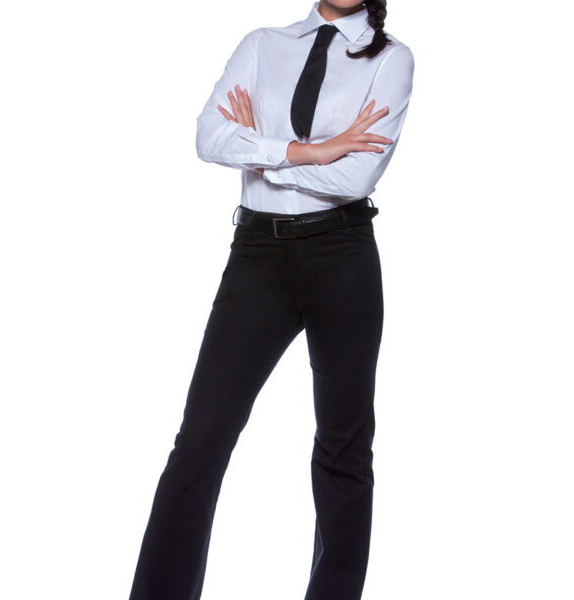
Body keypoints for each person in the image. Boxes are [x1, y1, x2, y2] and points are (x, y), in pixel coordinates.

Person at [128, 1, 414, 598]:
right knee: (200, 440)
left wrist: (258, 149)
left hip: (342, 256)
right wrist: (309, 150)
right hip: (257, 257)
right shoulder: (262, 44)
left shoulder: (391, 59)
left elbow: (356, 178)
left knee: (343, 446)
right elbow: (208, 136)